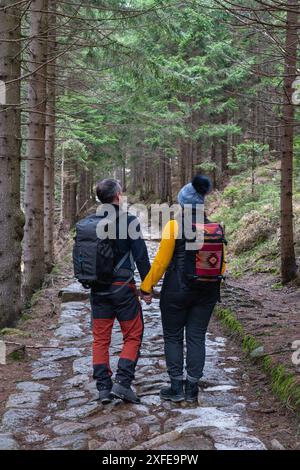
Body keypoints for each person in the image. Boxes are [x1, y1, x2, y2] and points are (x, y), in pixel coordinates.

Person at [140, 175, 226, 403]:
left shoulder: (174, 226)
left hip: (176, 291)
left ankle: (176, 386)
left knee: (173, 336)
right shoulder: (215, 228)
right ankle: (192, 389)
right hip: (207, 292)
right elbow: (222, 264)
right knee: (197, 337)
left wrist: (146, 287)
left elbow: (160, 263)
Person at [91, 179, 151, 404]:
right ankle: (123, 383)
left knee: (100, 339)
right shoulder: (129, 221)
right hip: (123, 289)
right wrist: (147, 288)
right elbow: (142, 258)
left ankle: (104, 388)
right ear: (117, 196)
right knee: (133, 335)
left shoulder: (90, 222)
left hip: (98, 290)